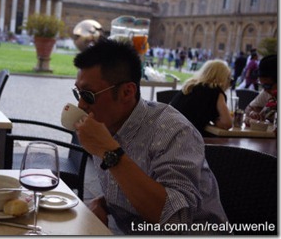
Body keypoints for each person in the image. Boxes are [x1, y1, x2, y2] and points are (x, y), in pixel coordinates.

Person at [72, 39, 227, 235]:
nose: (81, 106)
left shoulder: (174, 131)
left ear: (127, 92)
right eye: (78, 93)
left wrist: (109, 151)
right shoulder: (107, 125)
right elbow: (131, 185)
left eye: (88, 95)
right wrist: (103, 203)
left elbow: (176, 221)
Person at [170, 59, 233, 135]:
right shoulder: (216, 92)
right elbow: (227, 123)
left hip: (168, 131)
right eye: (229, 78)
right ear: (222, 78)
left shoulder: (190, 85)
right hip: (185, 137)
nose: (230, 82)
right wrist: (215, 120)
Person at [244, 54, 277, 127]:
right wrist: (252, 113)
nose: (265, 89)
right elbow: (249, 107)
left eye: (267, 85)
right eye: (262, 85)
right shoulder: (267, 92)